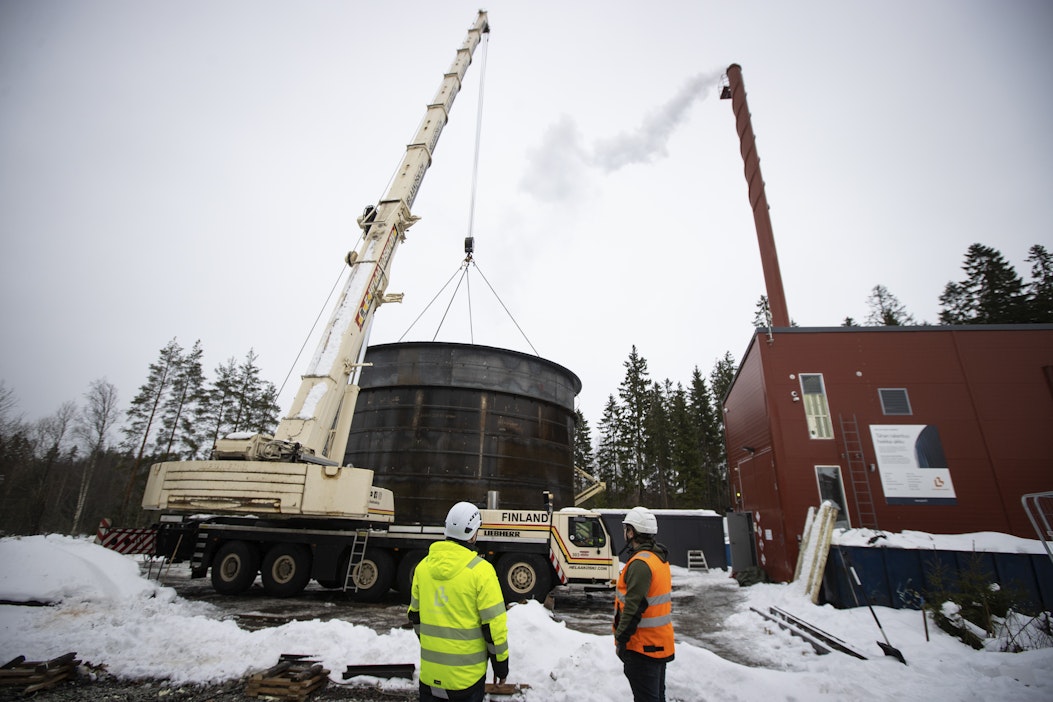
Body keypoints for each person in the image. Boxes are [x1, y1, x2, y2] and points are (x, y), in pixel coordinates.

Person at [408, 501, 509, 701]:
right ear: (473, 533)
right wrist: (501, 666)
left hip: (430, 678)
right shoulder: (481, 571)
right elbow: (494, 628)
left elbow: (415, 617)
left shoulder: (423, 568)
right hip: (467, 680)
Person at [613, 506, 675, 702]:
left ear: (632, 532)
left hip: (642, 648)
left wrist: (621, 639)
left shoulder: (641, 564)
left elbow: (633, 607)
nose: (624, 533)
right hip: (657, 644)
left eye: (626, 529)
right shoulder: (658, 559)